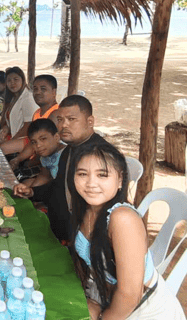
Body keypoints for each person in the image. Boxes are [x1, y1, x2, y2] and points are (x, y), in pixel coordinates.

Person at [67, 143, 185, 319]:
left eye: (102, 175)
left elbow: (129, 296)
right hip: (105, 296)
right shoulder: (86, 208)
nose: (91, 183)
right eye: (83, 174)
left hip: (142, 310)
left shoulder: (123, 219)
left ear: (120, 180)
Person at [14, 95, 108, 242]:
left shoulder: (100, 156)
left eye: (71, 119)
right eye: (60, 120)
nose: (64, 125)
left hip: (78, 241)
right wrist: (32, 192)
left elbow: (97, 213)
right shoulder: (70, 150)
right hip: (57, 230)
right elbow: (58, 186)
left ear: (90, 122)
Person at [9, 74, 59, 169]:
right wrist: (18, 159)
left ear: (54, 92)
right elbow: (32, 143)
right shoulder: (37, 113)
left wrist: (27, 165)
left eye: (43, 89)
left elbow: (46, 149)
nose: (38, 92)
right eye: (35, 89)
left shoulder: (56, 115)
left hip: (46, 165)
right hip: (33, 159)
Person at [13, 118, 65, 189]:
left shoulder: (66, 153)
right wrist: (31, 191)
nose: (38, 145)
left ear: (56, 137)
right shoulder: (45, 156)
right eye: (34, 142)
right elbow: (44, 176)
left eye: (43, 139)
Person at [0, 67, 38, 156]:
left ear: (22, 80)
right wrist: (5, 129)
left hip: (27, 137)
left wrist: (13, 140)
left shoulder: (28, 98)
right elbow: (11, 120)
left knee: (2, 148)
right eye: (9, 80)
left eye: (16, 79)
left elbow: (28, 125)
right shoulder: (14, 97)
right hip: (15, 134)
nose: (12, 83)